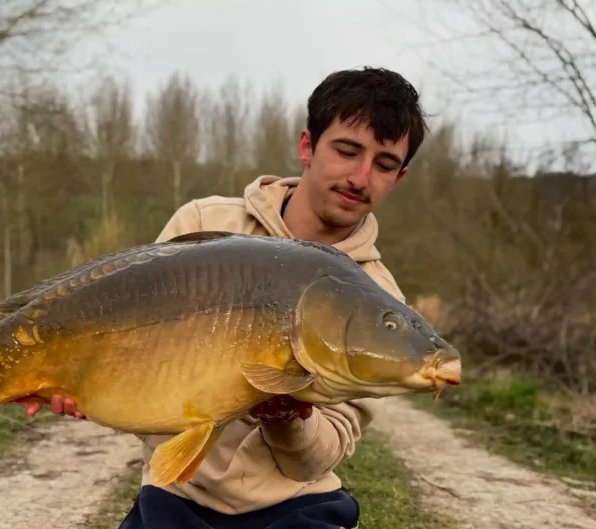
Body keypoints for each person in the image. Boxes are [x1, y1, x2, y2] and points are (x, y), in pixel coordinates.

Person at [28, 66, 428, 529]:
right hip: (177, 491)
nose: (360, 177)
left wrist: (286, 415)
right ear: (307, 146)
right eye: (346, 150)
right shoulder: (204, 223)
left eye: (383, 164)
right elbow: (133, 342)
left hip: (297, 504)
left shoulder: (381, 304)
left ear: (398, 177)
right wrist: (84, 383)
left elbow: (318, 458)